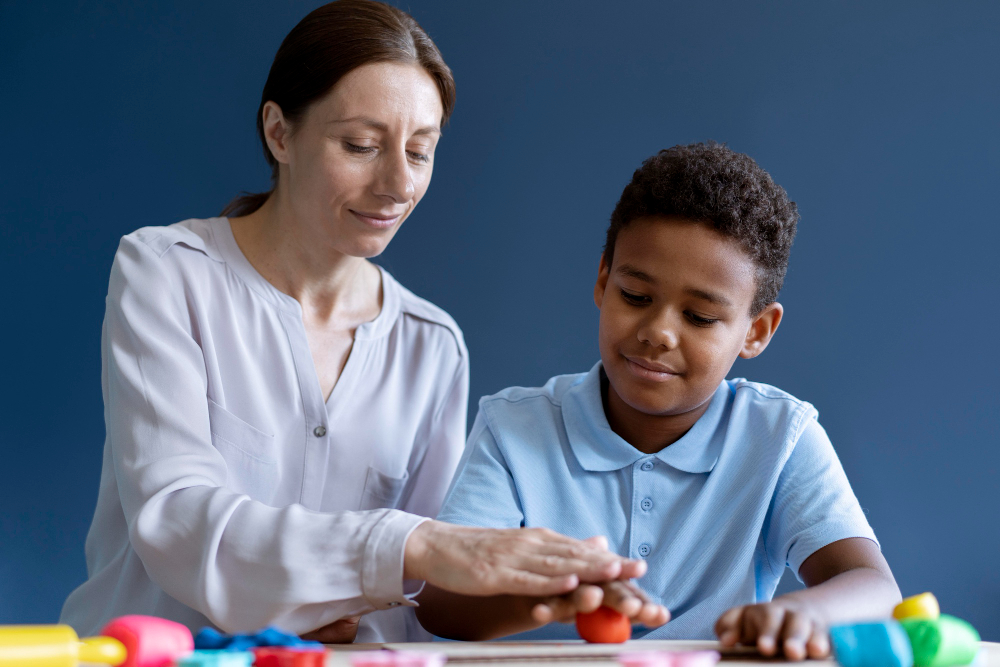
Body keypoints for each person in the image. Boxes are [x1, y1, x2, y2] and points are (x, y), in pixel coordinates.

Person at [60, 0, 644, 644]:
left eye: (420, 152)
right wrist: (399, 552)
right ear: (280, 133)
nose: (398, 184)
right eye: (361, 146)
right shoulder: (166, 271)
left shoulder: (432, 345)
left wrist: (546, 586)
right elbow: (177, 520)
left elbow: (418, 597)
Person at [415, 143, 902, 658]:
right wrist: (561, 600)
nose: (658, 332)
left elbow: (875, 588)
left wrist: (805, 613)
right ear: (604, 281)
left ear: (756, 331)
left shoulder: (780, 436)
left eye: (700, 317)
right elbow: (441, 603)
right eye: (637, 297)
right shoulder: (514, 428)